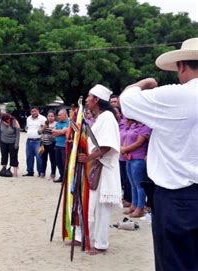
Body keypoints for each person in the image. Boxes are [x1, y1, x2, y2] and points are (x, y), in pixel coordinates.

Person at [120, 37, 198, 271]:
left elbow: (126, 101)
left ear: (182, 66)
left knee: (175, 270)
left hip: (178, 196)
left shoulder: (178, 96)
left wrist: (146, 82)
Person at [76, 84, 122, 255]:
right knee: (89, 204)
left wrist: (88, 157)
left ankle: (101, 244)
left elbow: (107, 146)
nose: (87, 99)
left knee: (101, 208)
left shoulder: (108, 117)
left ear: (96, 99)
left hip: (103, 168)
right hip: (94, 167)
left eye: (89, 96)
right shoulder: (100, 118)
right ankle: (84, 237)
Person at [121, 120, 151, 218]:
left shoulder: (145, 126)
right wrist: (124, 150)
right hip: (129, 158)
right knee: (132, 184)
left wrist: (125, 149)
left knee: (139, 185)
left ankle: (140, 208)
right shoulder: (133, 125)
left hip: (138, 158)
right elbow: (126, 138)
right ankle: (134, 205)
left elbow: (139, 143)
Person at [23, 107, 46, 177]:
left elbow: (46, 127)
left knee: (39, 157)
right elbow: (27, 127)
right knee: (29, 157)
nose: (33, 113)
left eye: (35, 111)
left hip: (38, 141)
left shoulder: (43, 118)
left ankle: (40, 172)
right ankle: (30, 171)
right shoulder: (28, 118)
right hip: (29, 140)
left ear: (38, 111)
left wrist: (42, 130)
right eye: (32, 111)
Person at [0, 113, 20, 177]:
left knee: (13, 156)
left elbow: (18, 134)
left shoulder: (15, 122)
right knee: (4, 155)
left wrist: (16, 143)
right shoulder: (0, 122)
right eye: (5, 120)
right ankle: (4, 168)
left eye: (8, 119)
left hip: (12, 142)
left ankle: (15, 171)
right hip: (3, 141)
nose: (7, 121)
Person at [51, 109, 69, 183]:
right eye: (58, 115)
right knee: (58, 162)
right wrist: (60, 132)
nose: (58, 117)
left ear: (65, 115)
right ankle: (61, 176)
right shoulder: (58, 123)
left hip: (64, 146)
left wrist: (60, 132)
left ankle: (66, 177)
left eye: (59, 115)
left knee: (64, 162)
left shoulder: (68, 122)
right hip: (57, 145)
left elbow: (64, 131)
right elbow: (53, 132)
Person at [40, 110, 56, 179]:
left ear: (54, 117)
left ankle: (53, 173)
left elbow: (55, 134)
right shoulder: (44, 123)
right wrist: (43, 128)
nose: (50, 117)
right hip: (43, 144)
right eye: (49, 116)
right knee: (43, 159)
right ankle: (42, 172)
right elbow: (38, 132)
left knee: (52, 159)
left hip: (52, 144)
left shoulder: (56, 124)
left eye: (52, 116)